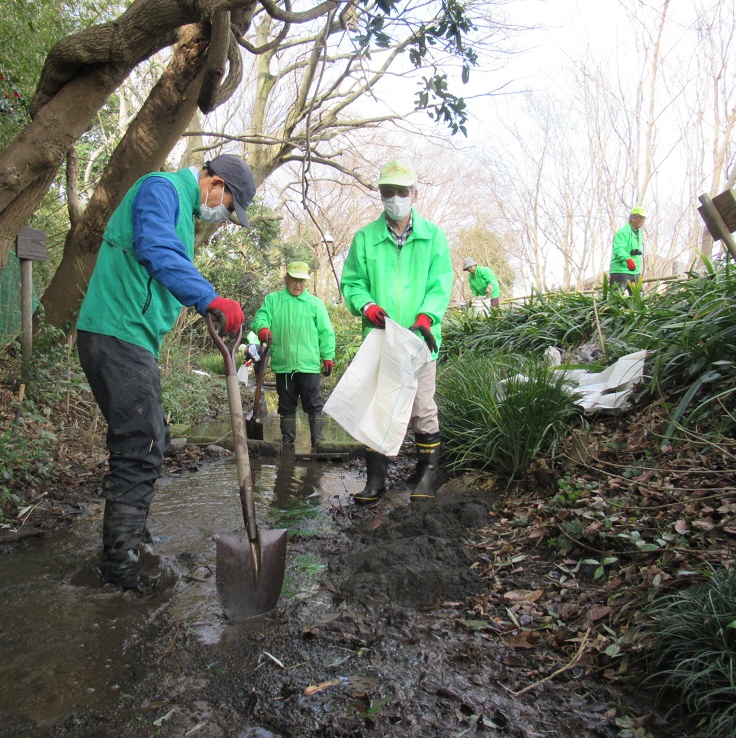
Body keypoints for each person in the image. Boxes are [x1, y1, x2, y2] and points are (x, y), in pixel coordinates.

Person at [75, 154, 256, 591]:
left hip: (130, 337)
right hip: (116, 332)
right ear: (214, 182)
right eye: (228, 204)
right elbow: (156, 247)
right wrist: (208, 297)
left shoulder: (180, 208)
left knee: (152, 437)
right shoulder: (162, 189)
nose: (224, 213)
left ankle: (133, 541)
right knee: (140, 444)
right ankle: (120, 570)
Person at [340, 160, 453, 503]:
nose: (395, 198)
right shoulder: (365, 239)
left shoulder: (434, 237)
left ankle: (425, 475)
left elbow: (440, 284)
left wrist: (426, 317)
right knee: (380, 408)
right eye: (388, 192)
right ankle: (376, 481)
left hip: (421, 338)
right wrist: (366, 306)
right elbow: (353, 283)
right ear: (381, 194)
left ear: (413, 194)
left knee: (423, 407)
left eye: (402, 192)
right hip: (381, 338)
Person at [252, 261, 335, 452]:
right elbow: (259, 319)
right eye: (294, 280)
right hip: (284, 365)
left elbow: (326, 333)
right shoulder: (273, 300)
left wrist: (328, 356)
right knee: (286, 405)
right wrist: (263, 329)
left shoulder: (316, 304)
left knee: (314, 405)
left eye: (302, 281)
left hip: (309, 366)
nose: (298, 285)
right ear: (286, 279)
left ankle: (318, 445)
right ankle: (288, 445)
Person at [609, 206, 645, 292]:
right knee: (617, 299)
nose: (643, 221)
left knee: (639, 299)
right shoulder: (622, 232)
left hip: (635, 272)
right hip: (621, 271)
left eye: (644, 218)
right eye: (641, 218)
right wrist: (627, 259)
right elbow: (618, 249)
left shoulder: (639, 233)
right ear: (633, 218)